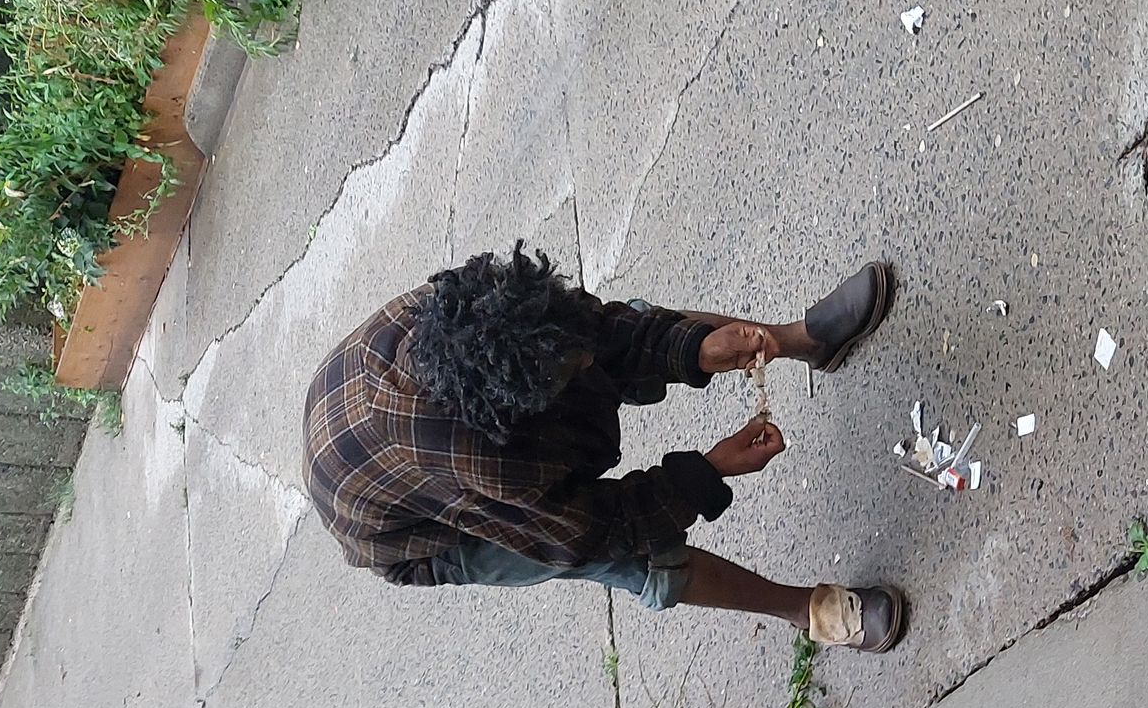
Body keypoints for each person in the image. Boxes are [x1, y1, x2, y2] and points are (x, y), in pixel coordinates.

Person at [302, 244, 908, 651]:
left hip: (361, 421)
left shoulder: (480, 304)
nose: (591, 363)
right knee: (636, 559)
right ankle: (807, 611)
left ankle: (801, 340)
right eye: (572, 369)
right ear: (523, 408)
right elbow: (594, 530)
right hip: (416, 528)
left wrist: (693, 349)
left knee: (645, 327)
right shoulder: (489, 463)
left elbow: (606, 329)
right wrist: (709, 470)